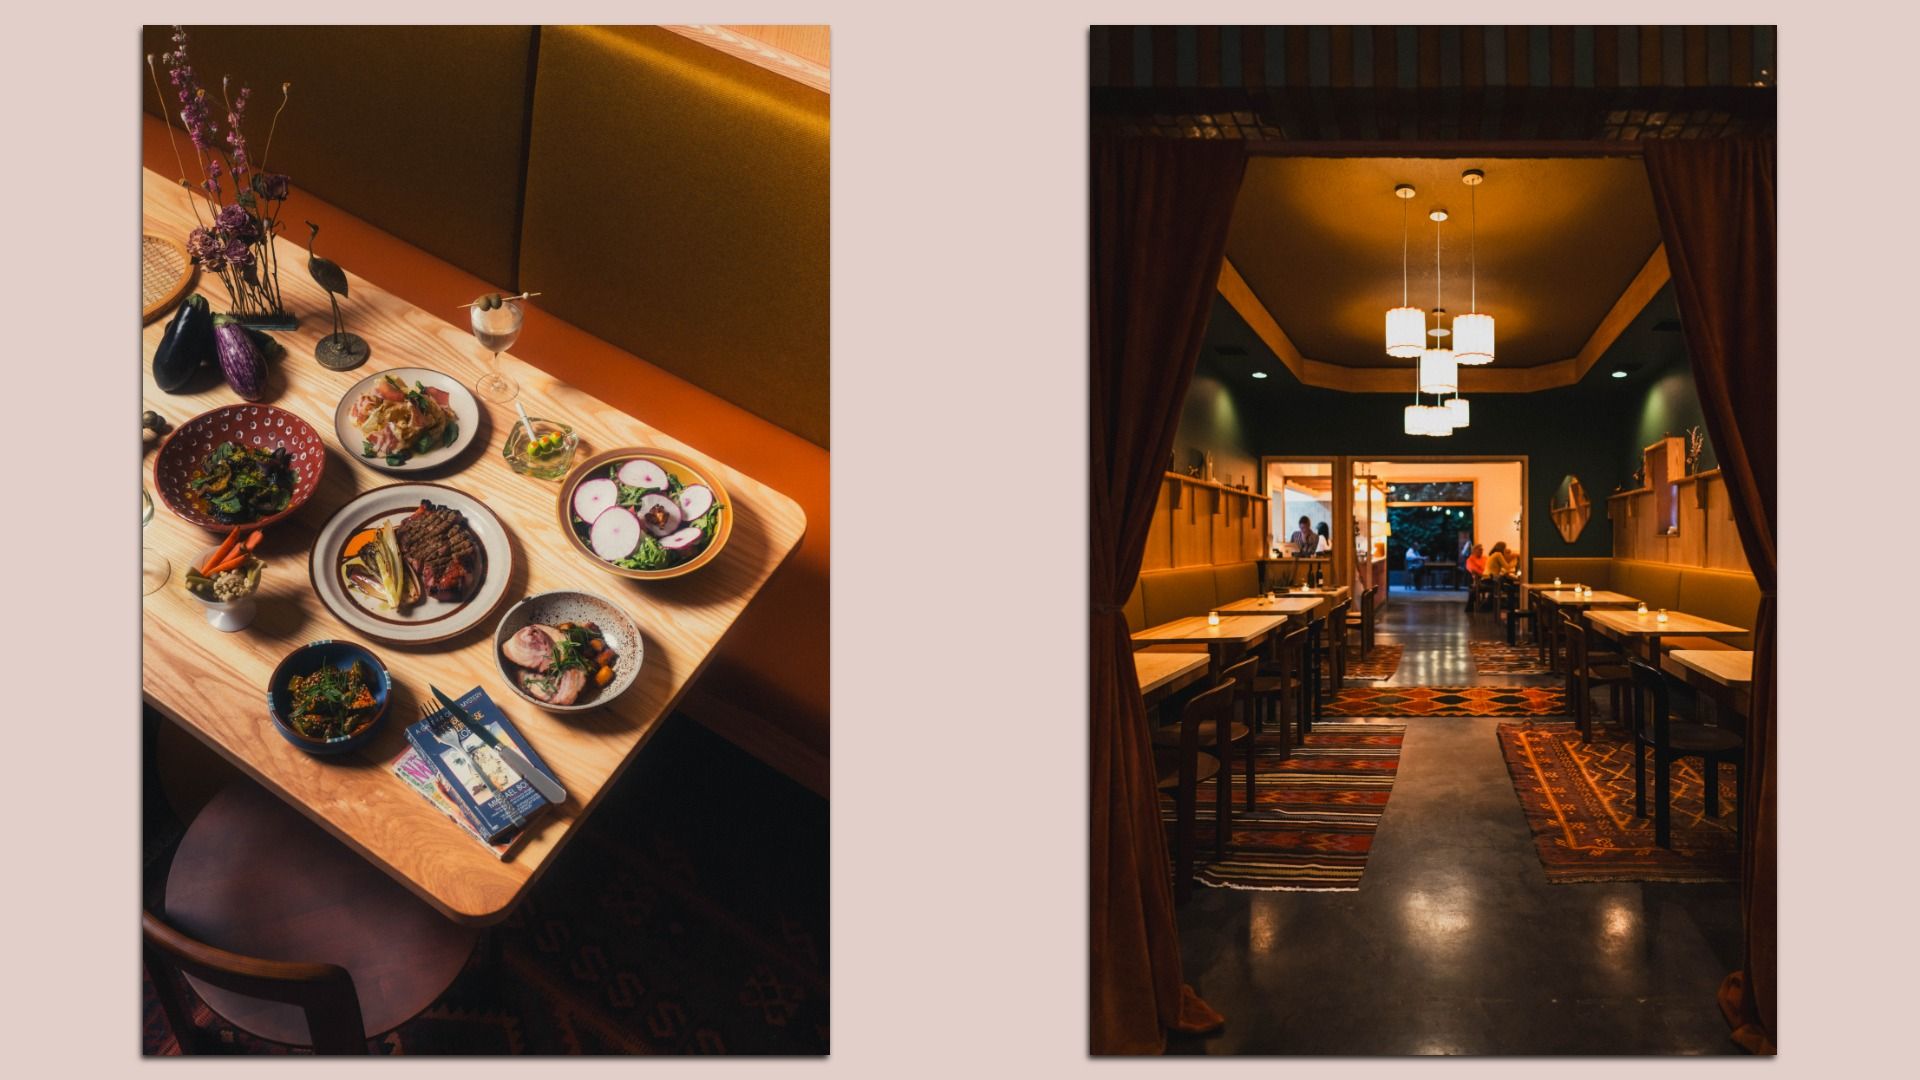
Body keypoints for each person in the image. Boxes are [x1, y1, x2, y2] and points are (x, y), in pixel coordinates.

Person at [1464, 543, 1487, 611]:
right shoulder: (1470, 559)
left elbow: (1488, 568)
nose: (1481, 551)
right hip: (1477, 579)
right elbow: (1473, 570)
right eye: (1479, 550)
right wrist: (1482, 573)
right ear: (1474, 551)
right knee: (1475, 589)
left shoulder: (1485, 558)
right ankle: (1479, 608)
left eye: (1482, 550)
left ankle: (1484, 607)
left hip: (1485, 577)